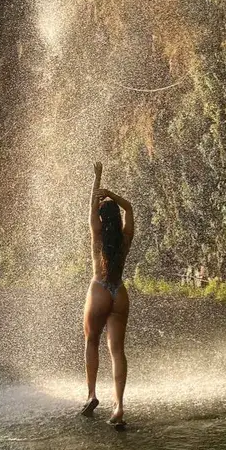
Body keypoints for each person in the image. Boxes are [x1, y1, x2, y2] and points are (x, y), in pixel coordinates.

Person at [81, 161, 134, 429]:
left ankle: (91, 394)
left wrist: (98, 177)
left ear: (102, 218)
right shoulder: (126, 238)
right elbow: (130, 208)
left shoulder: (97, 235)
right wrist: (112, 194)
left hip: (99, 288)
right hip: (119, 292)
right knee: (117, 351)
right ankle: (120, 406)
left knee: (92, 342)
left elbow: (91, 205)